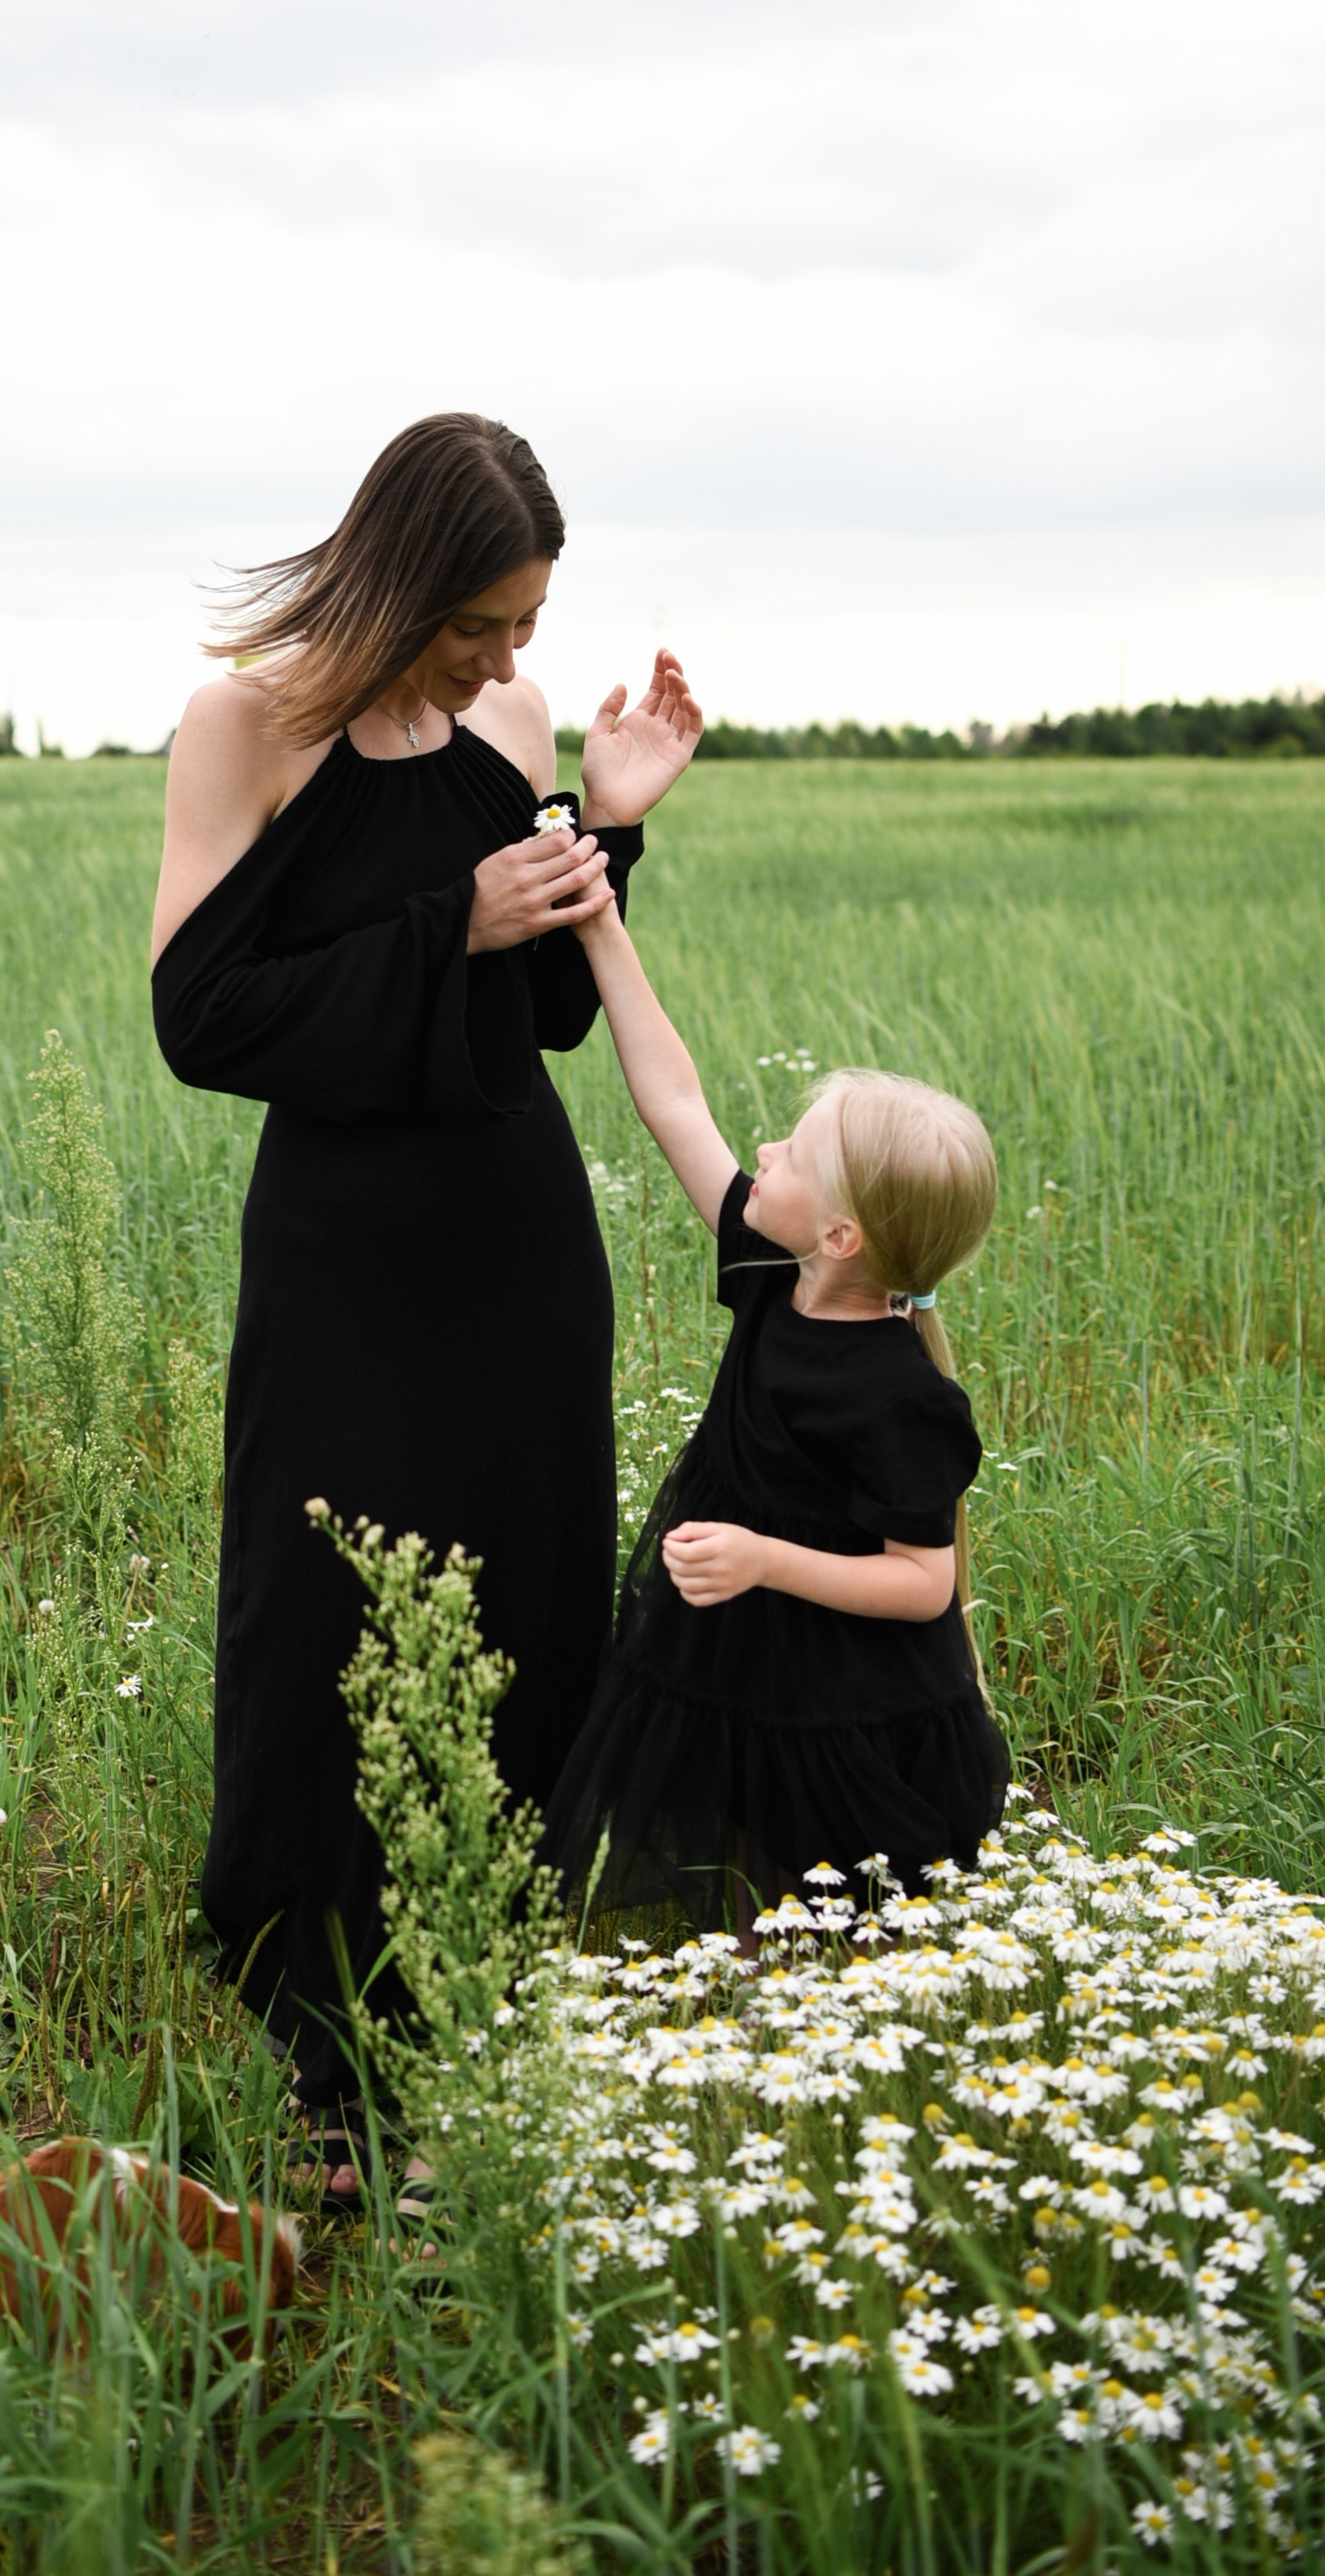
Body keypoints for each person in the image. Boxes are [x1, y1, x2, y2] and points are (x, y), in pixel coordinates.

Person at [150, 414, 701, 2204]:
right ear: (398, 582)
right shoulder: (248, 724)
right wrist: (443, 923)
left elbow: (547, 1013)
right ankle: (328, 2071)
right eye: (480, 623)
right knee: (327, 1633)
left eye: (528, 621)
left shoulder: (513, 728)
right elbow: (199, 1017)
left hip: (521, 1250)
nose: (507, 656)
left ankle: (488, 2025)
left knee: (526, 1611)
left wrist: (610, 827)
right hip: (346, 1264)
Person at [541, 896, 1010, 1944]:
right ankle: (760, 1959)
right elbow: (674, 1101)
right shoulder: (770, 1268)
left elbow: (922, 1583)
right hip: (737, 1633)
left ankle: (825, 1988)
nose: (763, 1150)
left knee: (838, 1873)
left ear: (842, 1235)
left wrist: (763, 1559)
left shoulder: (902, 1396)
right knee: (746, 1819)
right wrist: (603, 928)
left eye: (791, 1154)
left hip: (840, 1672)